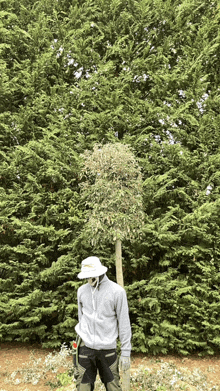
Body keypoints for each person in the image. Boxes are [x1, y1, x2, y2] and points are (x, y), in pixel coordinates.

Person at [74, 256, 132, 391]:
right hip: (85, 349)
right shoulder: (81, 291)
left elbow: (124, 323)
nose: (89, 279)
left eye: (91, 275)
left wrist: (125, 352)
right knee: (82, 388)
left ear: (100, 273)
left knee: (113, 387)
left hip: (107, 350)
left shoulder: (117, 292)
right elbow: (81, 318)